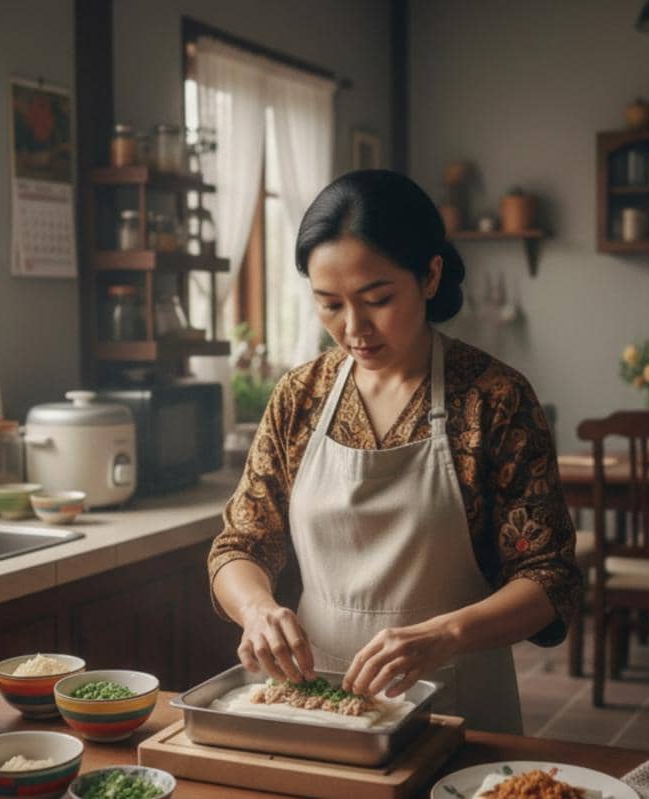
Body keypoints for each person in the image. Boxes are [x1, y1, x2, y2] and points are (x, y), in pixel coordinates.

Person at [207, 169, 580, 734]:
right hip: (311, 702)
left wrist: (444, 635)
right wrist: (257, 609)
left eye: (377, 299)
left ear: (430, 276)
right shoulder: (299, 396)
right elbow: (240, 543)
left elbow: (549, 578)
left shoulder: (493, 399)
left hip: (456, 702)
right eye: (329, 304)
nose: (354, 328)